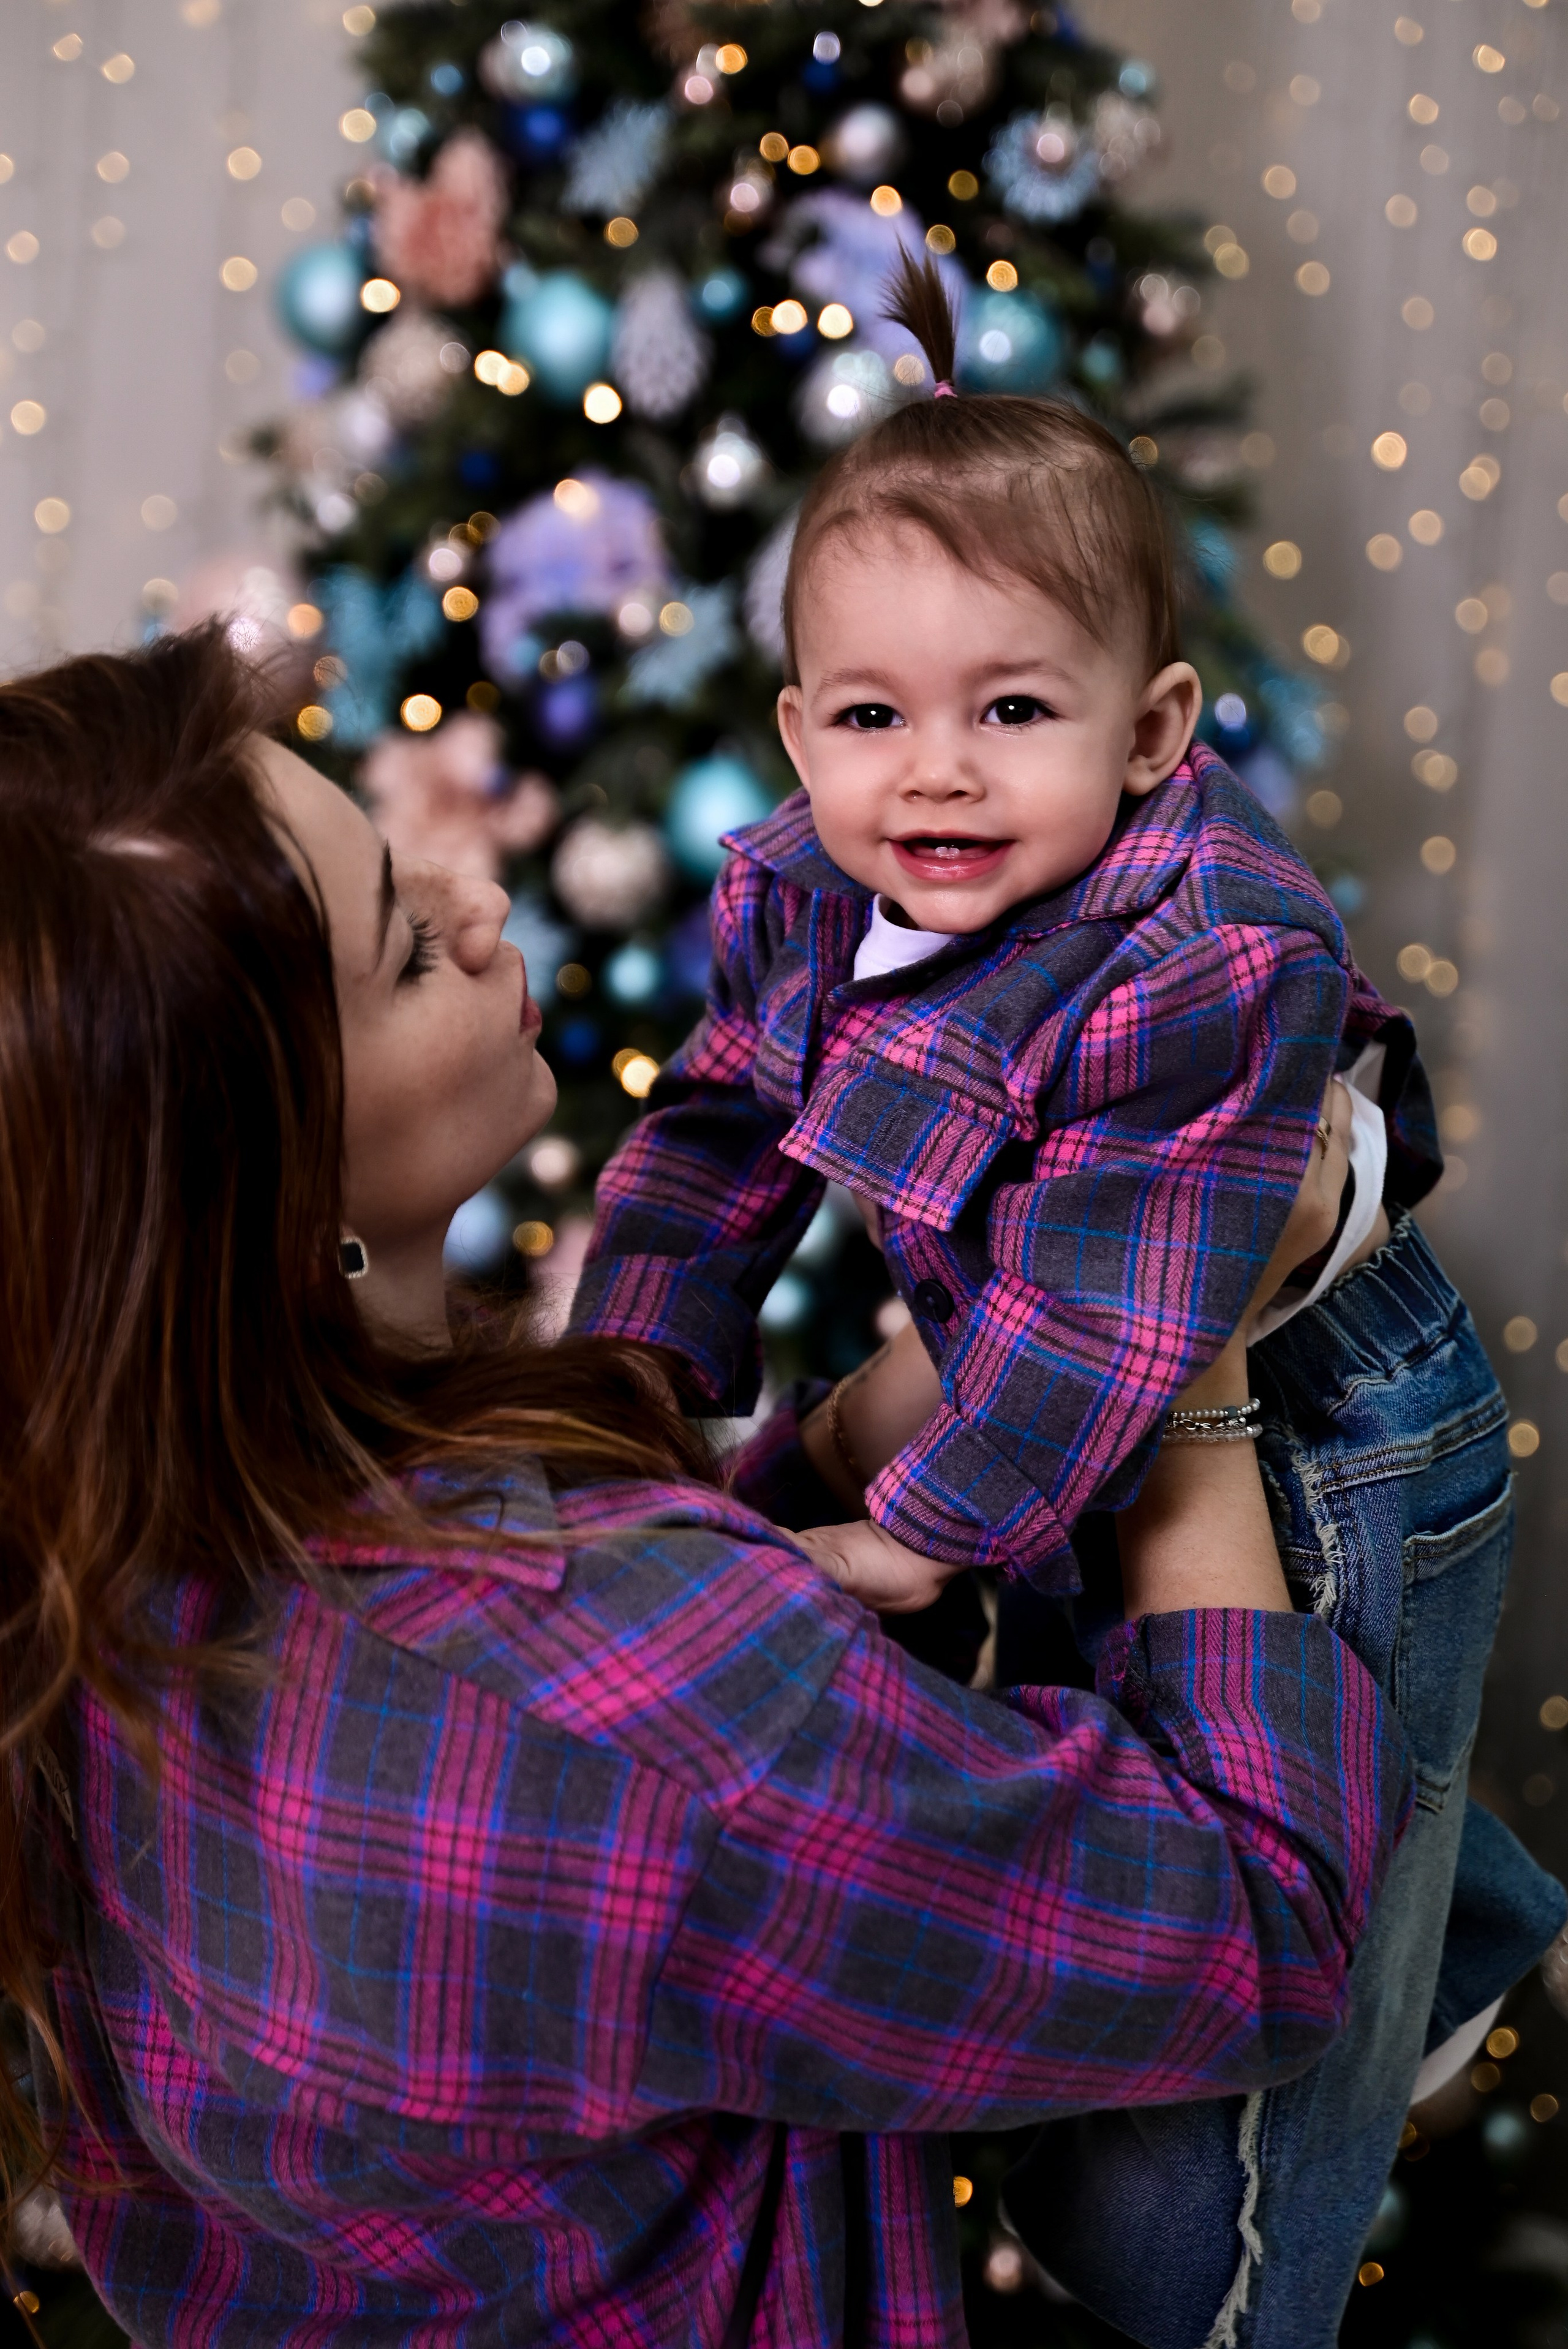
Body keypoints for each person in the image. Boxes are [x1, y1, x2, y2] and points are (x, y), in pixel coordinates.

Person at [0, 630, 1409, 2348]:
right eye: (400, 947)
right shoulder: (603, 1701)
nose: (469, 892)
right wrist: (1179, 1346)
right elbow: (1254, 1925)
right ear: (274, 1203)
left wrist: (875, 1426)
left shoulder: (89, 1561)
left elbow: (666, 1694)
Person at [568, 254, 1564, 2347]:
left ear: (1153, 731)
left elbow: (1113, 1322)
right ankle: (1467, 1922)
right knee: (1211, 1725)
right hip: (1069, 1371)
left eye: (1014, 710)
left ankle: (1398, 1979)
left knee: (1317, 1807)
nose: (934, 774)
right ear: (795, 729)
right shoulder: (794, 888)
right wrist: (632, 1372)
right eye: (872, 716)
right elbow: (718, 1137)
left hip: (1317, 1420)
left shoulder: (1205, 951)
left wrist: (915, 1526)